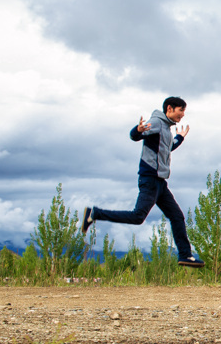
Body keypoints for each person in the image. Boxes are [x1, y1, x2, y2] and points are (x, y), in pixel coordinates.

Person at [80, 96, 204, 268]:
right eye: (181, 110)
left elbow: (167, 149)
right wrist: (137, 130)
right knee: (138, 216)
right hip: (150, 179)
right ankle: (95, 213)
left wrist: (180, 138)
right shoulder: (156, 122)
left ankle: (185, 256)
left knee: (177, 216)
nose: (183, 115)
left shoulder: (166, 129)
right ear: (170, 108)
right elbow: (136, 135)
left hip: (160, 182)